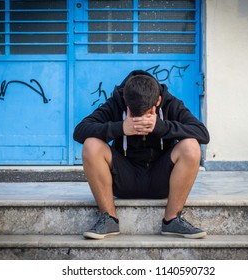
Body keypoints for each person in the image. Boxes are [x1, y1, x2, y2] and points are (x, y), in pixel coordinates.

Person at [73, 70, 210, 240]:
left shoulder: (170, 103)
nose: (141, 120)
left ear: (158, 101)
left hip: (161, 179)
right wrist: (120, 127)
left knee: (191, 146)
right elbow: (79, 131)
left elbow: (203, 134)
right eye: (135, 114)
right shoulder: (116, 102)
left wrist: (162, 127)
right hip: (125, 179)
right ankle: (108, 218)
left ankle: (172, 219)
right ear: (126, 102)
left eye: (147, 113)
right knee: (91, 144)